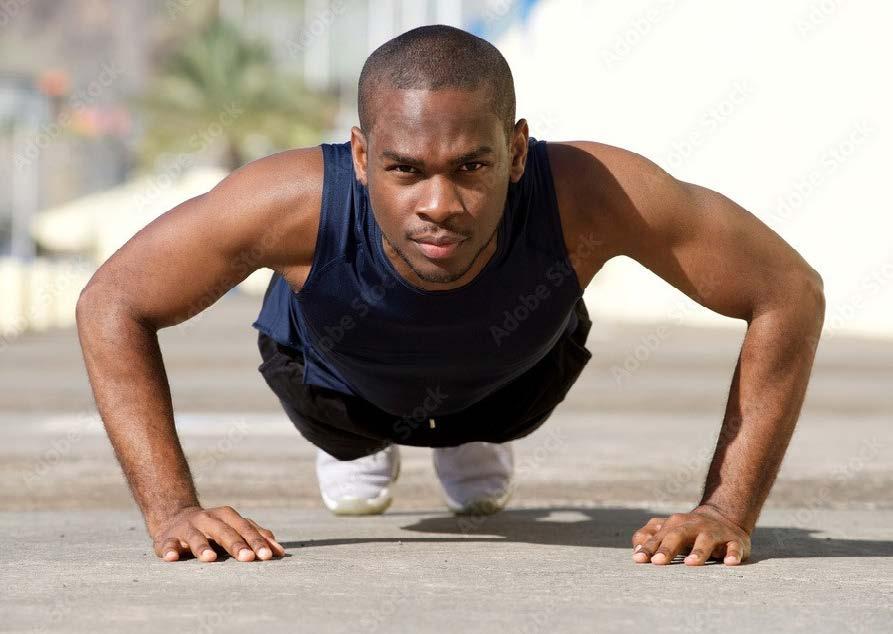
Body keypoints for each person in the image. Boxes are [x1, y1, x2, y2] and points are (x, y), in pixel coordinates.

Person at [76, 25, 825, 567]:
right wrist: (173, 509)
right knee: (353, 469)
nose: (439, 204)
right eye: (405, 170)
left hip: (511, 387)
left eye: (472, 166)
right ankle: (362, 449)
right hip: (338, 396)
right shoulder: (288, 202)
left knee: (493, 407)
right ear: (361, 156)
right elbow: (113, 302)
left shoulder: (593, 194)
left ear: (517, 151)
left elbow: (788, 291)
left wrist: (726, 510)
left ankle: (469, 436)